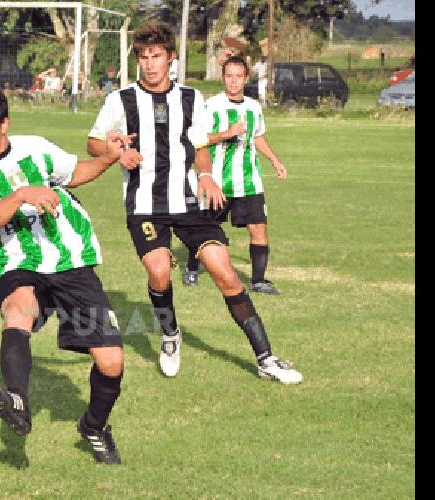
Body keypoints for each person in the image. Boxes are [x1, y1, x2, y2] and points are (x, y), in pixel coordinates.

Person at [85, 20, 302, 384]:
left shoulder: (191, 99)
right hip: (144, 205)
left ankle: (266, 358)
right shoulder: (119, 100)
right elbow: (93, 142)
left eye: (156, 56)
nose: (149, 63)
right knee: (158, 270)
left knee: (224, 270)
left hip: (187, 203)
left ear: (170, 58)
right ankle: (170, 334)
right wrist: (114, 151)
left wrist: (204, 174)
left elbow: (199, 147)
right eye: (143, 56)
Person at [0, 85, 134, 464]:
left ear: (4, 124)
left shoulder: (36, 147)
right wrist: (20, 195)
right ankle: (17, 399)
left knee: (112, 362)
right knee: (18, 311)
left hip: (70, 261)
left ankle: (94, 427)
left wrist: (110, 158)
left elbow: (75, 173)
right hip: (18, 263)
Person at [182, 56, 288, 295]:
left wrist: (275, 160)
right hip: (218, 181)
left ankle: (258, 281)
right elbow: (199, 139)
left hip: (249, 182)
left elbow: (257, 136)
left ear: (245, 78)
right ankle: (191, 268)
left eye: (238, 76)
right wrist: (226, 133)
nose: (233, 81)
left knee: (259, 228)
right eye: (229, 76)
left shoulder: (253, 107)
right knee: (204, 228)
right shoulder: (212, 106)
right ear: (222, 78)